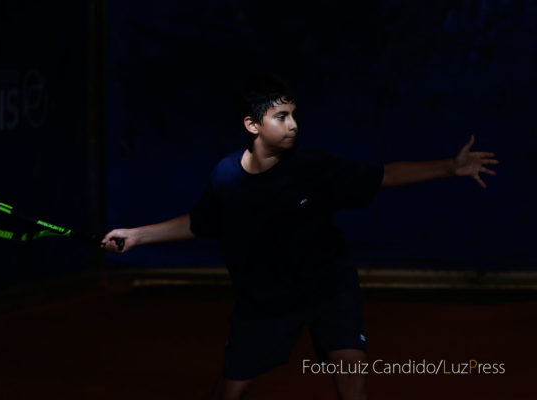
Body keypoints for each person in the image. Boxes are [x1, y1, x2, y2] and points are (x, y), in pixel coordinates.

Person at [100, 74, 498, 400]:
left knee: (352, 377)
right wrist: (137, 236)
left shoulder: (312, 166)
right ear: (252, 125)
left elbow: (383, 175)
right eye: (281, 116)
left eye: (293, 115)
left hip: (328, 287)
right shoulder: (226, 176)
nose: (293, 124)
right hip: (266, 299)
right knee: (231, 391)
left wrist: (450, 167)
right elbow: (202, 222)